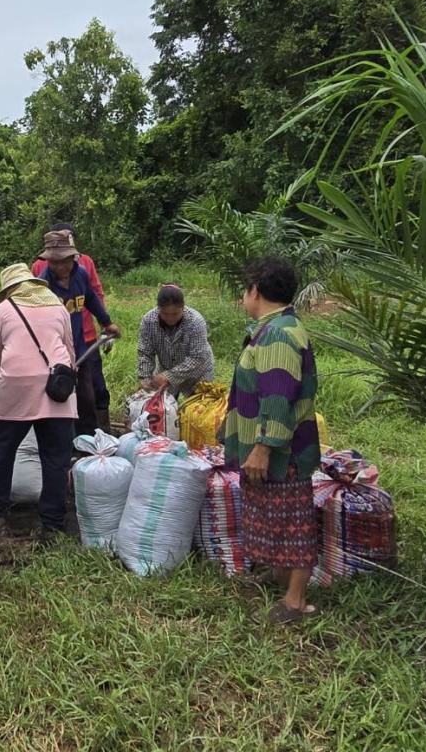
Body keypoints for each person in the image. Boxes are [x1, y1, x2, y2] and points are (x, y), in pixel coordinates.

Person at [221, 257, 321, 624]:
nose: (243, 297)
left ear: (255, 291)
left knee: (293, 520)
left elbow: (278, 400)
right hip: (272, 447)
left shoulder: (278, 335)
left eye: (244, 290)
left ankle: (295, 601)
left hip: (284, 451)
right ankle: (280, 578)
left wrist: (263, 447)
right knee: (274, 512)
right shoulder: (274, 327)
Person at [0, 263, 77, 540]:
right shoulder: (59, 308)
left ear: (9, 290)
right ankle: (53, 525)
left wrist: (5, 380)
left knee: (2, 452)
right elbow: (70, 354)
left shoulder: (1, 311)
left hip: (16, 385)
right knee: (56, 458)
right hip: (57, 387)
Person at [37, 230, 121, 436]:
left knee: (86, 396)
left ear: (73, 257)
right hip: (54, 352)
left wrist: (106, 323)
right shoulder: (42, 285)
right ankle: (62, 440)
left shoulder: (81, 274)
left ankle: (88, 440)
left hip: (79, 347)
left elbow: (91, 299)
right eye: (55, 262)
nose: (60, 267)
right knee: (60, 395)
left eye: (65, 261)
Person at [136, 284, 216, 397]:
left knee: (198, 409)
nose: (170, 318)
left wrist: (168, 376)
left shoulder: (196, 322)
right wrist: (145, 377)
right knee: (163, 408)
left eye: (175, 314)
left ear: (183, 307)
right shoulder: (148, 321)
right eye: (165, 313)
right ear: (158, 308)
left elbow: (198, 358)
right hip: (165, 368)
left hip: (198, 372)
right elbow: (145, 352)